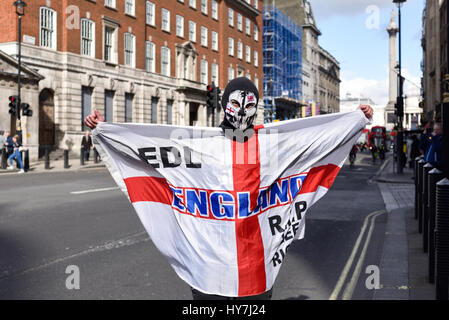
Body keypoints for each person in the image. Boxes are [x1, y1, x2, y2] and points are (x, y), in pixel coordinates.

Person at [84, 78, 373, 300]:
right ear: (224, 105)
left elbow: (317, 142)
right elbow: (146, 147)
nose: (242, 113)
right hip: (207, 273)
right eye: (236, 104)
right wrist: (104, 130)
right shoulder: (198, 144)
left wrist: (354, 120)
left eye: (250, 106)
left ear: (257, 108)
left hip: (254, 273)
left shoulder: (271, 143)